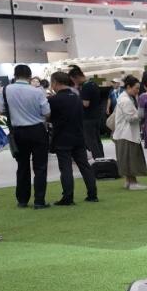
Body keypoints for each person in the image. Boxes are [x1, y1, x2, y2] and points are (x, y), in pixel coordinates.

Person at [1, 63, 52, 209]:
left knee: (22, 166)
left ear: (14, 75)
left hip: (18, 132)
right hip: (37, 130)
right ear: (30, 76)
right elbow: (46, 113)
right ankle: (39, 201)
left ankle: (22, 200)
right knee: (40, 167)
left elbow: (1, 110)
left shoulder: (5, 90)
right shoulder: (37, 91)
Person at [47, 71, 98, 204]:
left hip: (62, 138)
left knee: (66, 168)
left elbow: (48, 117)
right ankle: (92, 194)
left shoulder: (53, 100)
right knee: (84, 166)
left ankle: (68, 197)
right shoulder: (76, 97)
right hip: (79, 137)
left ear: (55, 82)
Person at [112, 74, 147, 191]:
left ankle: (128, 181)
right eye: (136, 88)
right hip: (127, 134)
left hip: (124, 133)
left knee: (126, 158)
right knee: (131, 158)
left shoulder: (126, 97)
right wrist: (142, 114)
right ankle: (133, 183)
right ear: (128, 87)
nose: (137, 91)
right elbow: (130, 118)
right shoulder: (125, 100)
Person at [74, 66, 107, 159]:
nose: (74, 83)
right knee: (96, 139)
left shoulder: (86, 87)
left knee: (90, 141)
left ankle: (98, 160)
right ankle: (102, 159)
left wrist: (76, 99)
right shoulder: (93, 84)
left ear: (77, 77)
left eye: (74, 80)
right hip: (95, 116)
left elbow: (85, 103)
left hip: (88, 118)